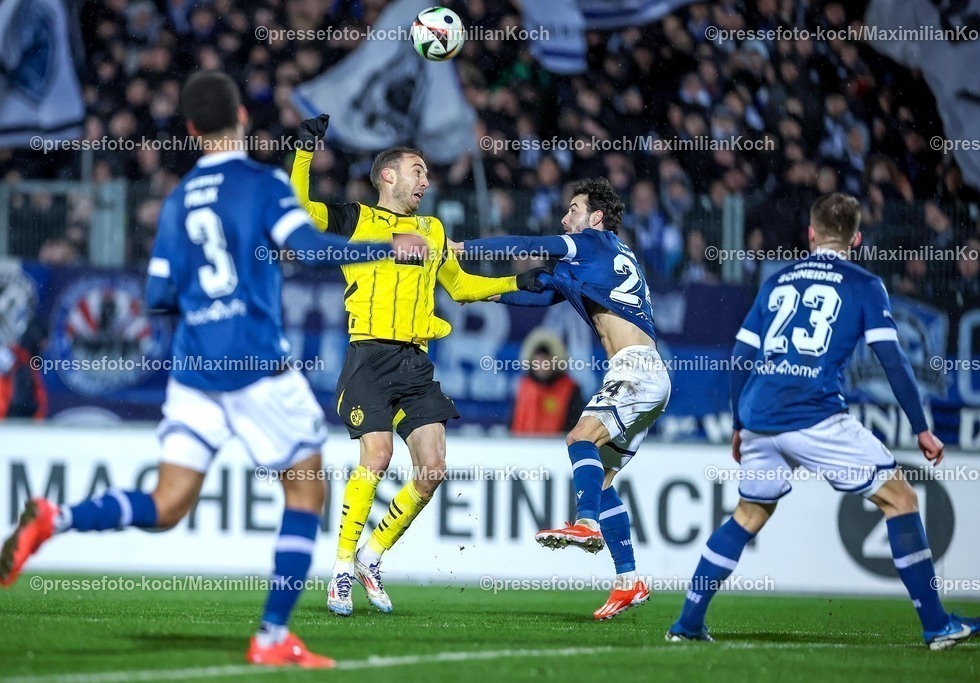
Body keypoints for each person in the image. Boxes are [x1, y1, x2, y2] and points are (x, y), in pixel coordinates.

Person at [0, 71, 426, 668]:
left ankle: (57, 516)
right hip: (255, 361)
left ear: (194, 130)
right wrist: (386, 247)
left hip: (196, 368)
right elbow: (307, 249)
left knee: (168, 503)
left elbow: (156, 295)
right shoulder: (261, 184)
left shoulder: (177, 201)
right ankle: (273, 636)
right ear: (242, 122)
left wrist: (207, 303)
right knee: (306, 491)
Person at [665, 193, 980, 649]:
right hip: (812, 412)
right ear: (856, 239)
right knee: (899, 498)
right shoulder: (863, 284)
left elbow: (741, 356)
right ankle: (937, 625)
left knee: (748, 514)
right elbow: (893, 362)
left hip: (760, 413)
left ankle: (686, 624)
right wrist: (921, 427)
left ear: (812, 234)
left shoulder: (777, 280)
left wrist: (740, 423)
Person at [290, 114, 543, 617]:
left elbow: (463, 287)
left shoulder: (431, 229)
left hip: (415, 361)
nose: (426, 182)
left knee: (432, 471)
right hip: (368, 356)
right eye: (417, 171)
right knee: (377, 457)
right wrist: (302, 152)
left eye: (427, 175)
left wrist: (517, 285)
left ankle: (371, 555)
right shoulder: (358, 220)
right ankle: (340, 569)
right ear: (388, 176)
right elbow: (300, 210)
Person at [452, 178, 671, 620]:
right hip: (646, 375)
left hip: (636, 371)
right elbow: (544, 292)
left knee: (578, 439)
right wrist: (485, 290)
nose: (564, 218)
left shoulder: (591, 241)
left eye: (573, 209)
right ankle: (629, 581)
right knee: (604, 481)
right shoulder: (602, 259)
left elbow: (532, 243)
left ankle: (585, 523)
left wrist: (464, 248)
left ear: (595, 217)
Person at [510, 329, 584, 436]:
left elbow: (573, 428)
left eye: (546, 361)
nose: (542, 365)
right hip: (522, 448)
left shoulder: (570, 389)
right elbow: (512, 423)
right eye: (538, 361)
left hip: (556, 449)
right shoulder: (523, 387)